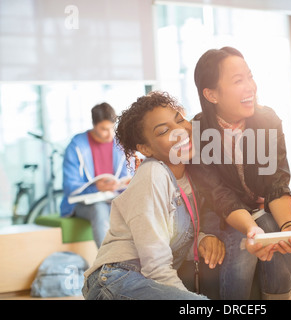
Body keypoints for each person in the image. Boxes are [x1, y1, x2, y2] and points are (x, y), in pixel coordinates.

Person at [82, 91, 225, 300]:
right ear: (145, 148)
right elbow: (156, 266)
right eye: (164, 131)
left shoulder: (191, 176)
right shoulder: (153, 174)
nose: (180, 132)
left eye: (180, 120)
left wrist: (203, 237)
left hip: (144, 280)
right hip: (116, 279)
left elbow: (174, 233)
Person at [188, 46, 291, 300]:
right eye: (238, 81)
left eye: (250, 77)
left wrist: (289, 224)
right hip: (220, 214)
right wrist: (252, 230)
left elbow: (277, 180)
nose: (250, 86)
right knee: (243, 248)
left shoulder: (267, 120)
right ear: (211, 94)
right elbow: (220, 196)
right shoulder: (197, 131)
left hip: (260, 206)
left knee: (276, 233)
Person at [60, 103, 131, 248]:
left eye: (112, 128)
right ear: (94, 125)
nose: (110, 134)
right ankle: (107, 263)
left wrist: (128, 183)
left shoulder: (119, 144)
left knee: (131, 208)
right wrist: (96, 187)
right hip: (83, 203)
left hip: (113, 198)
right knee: (99, 209)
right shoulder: (76, 145)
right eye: (104, 129)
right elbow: (69, 186)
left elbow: (127, 175)